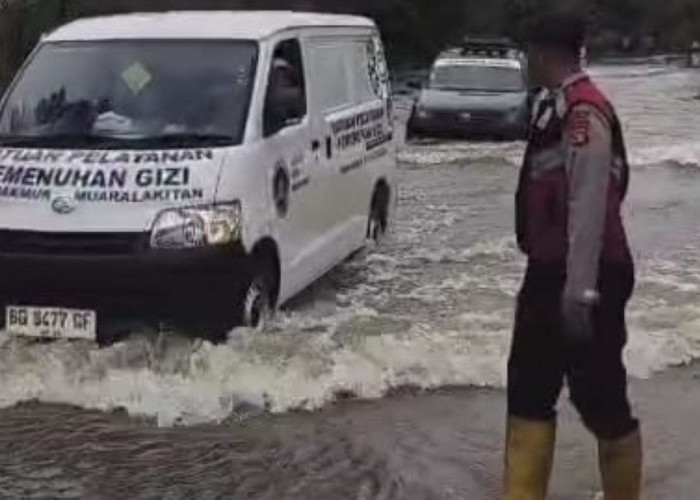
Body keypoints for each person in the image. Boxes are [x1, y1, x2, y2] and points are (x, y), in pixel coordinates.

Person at [504, 14, 642, 500]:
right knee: (528, 390)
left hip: (588, 275)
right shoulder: (552, 108)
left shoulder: (584, 114)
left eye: (529, 53)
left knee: (600, 399)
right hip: (548, 271)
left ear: (544, 53)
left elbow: (589, 206)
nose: (527, 62)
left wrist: (579, 292)